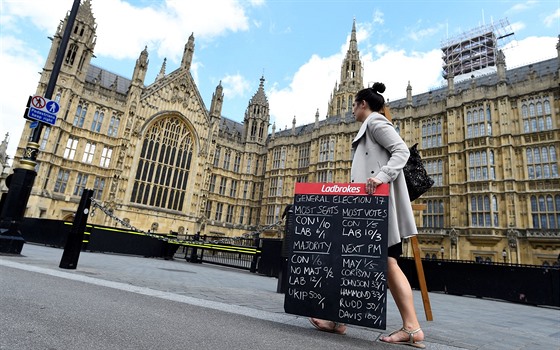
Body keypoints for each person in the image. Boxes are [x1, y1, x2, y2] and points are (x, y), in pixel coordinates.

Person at [309, 82, 425, 349]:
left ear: (363, 104)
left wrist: (380, 177)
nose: (351, 110)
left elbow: (402, 151)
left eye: (354, 104)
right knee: (357, 262)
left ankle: (411, 327)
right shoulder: (370, 126)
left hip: (380, 211)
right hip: (370, 211)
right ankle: (339, 321)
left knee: (388, 263)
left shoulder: (375, 122)